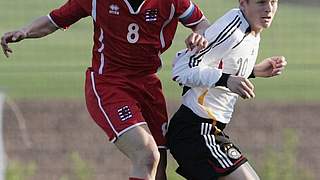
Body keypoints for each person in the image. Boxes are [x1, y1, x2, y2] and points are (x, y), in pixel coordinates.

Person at [0, 0, 210, 180]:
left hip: (148, 86)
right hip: (109, 85)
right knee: (146, 154)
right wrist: (25, 31)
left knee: (159, 168)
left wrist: (200, 35)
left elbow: (201, 23)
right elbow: (54, 19)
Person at [166, 0, 287, 179]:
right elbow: (181, 68)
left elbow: (217, 64)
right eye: (261, 2)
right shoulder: (233, 27)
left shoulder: (251, 30)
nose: (269, 9)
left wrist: (253, 71)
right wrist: (226, 79)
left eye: (273, 2)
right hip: (195, 131)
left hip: (207, 130)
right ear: (243, 4)